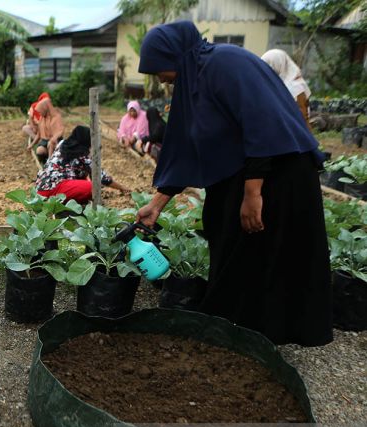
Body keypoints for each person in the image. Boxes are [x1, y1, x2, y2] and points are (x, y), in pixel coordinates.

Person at [135, 21, 332, 347]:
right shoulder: (194, 81)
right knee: (223, 234)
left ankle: (257, 336)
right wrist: (156, 205)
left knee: (267, 256)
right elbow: (187, 148)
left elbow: (261, 121)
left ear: (174, 55)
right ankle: (240, 333)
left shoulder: (225, 63)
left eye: (160, 70)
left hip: (279, 173)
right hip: (245, 172)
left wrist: (253, 194)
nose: (160, 79)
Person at [36, 126, 127, 204]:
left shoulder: (62, 144)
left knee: (82, 180)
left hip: (41, 188)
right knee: (93, 187)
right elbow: (102, 178)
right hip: (55, 189)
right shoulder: (82, 155)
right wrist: (122, 188)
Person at [261, 49, 312, 127]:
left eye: (269, 66)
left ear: (278, 65)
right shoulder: (283, 84)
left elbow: (301, 120)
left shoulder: (295, 88)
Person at [28, 97, 65, 162]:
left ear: (45, 108)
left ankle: (51, 161)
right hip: (45, 141)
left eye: (40, 111)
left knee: (51, 144)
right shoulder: (42, 118)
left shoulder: (56, 117)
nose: (40, 113)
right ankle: (46, 161)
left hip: (55, 141)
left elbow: (60, 131)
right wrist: (31, 145)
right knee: (40, 150)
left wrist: (53, 138)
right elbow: (39, 134)